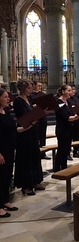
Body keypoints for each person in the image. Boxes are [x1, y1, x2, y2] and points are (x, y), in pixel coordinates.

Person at [13, 79, 44, 195]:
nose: (31, 90)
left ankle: (35, 181)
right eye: (29, 88)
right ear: (22, 88)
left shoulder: (28, 99)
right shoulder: (18, 101)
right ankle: (26, 185)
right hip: (24, 133)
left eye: (31, 88)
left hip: (32, 132)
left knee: (34, 156)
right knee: (26, 159)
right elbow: (23, 117)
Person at [54, 85, 79, 172]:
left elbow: (71, 113)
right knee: (61, 149)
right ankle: (57, 168)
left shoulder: (68, 102)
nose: (71, 92)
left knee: (66, 149)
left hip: (69, 128)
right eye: (69, 90)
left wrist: (77, 115)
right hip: (62, 129)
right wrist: (77, 117)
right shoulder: (58, 102)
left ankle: (64, 167)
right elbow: (66, 117)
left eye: (71, 90)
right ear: (63, 91)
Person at [0, 88, 18, 217]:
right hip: (1, 151)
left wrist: (28, 125)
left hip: (9, 149)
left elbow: (14, 130)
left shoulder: (5, 113)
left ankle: (5, 200)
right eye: (5, 97)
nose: (8, 99)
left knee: (7, 176)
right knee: (0, 178)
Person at [30, 80, 50, 160]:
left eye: (41, 86)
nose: (40, 87)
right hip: (36, 118)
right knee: (36, 136)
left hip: (43, 117)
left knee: (43, 136)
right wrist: (38, 105)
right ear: (34, 86)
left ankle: (43, 153)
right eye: (38, 85)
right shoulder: (31, 95)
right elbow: (30, 106)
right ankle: (37, 152)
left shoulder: (42, 95)